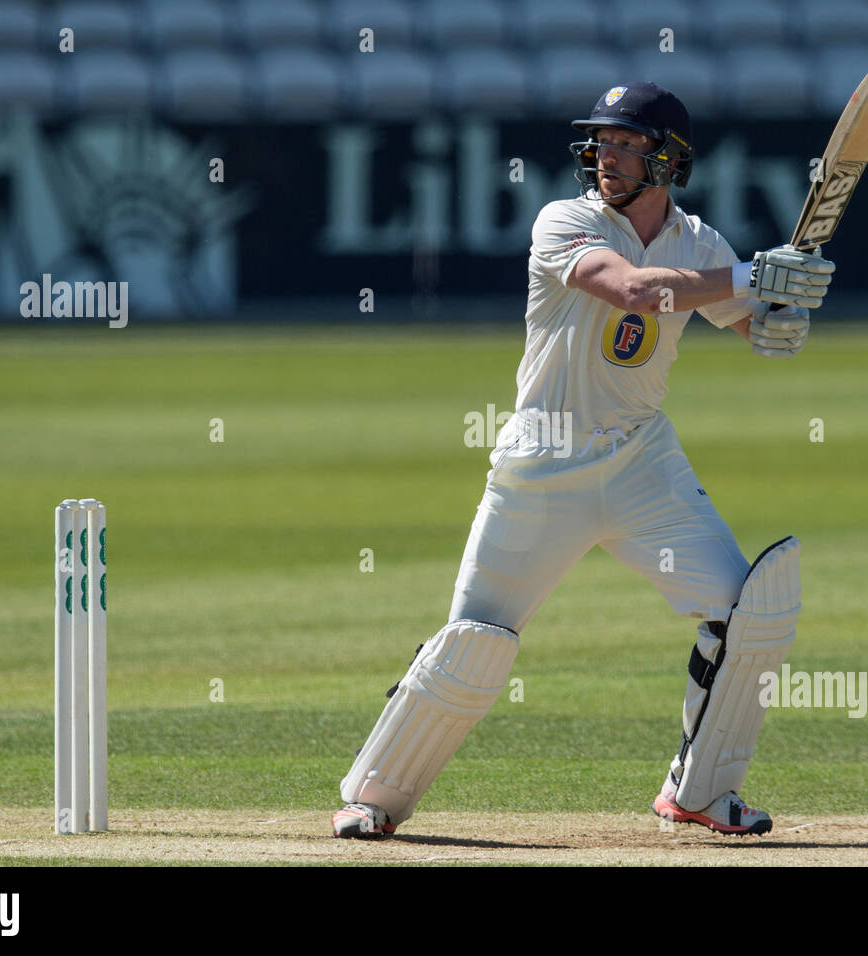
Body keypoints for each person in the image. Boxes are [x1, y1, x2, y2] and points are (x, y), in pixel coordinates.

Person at [332, 83, 834, 839]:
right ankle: (372, 797)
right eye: (602, 141)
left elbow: (749, 320)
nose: (607, 156)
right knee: (475, 637)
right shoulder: (564, 221)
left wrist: (780, 320)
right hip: (543, 463)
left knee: (746, 616)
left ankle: (700, 793)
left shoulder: (698, 243)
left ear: (668, 160)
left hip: (642, 463)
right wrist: (754, 278)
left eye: (628, 143)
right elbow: (633, 292)